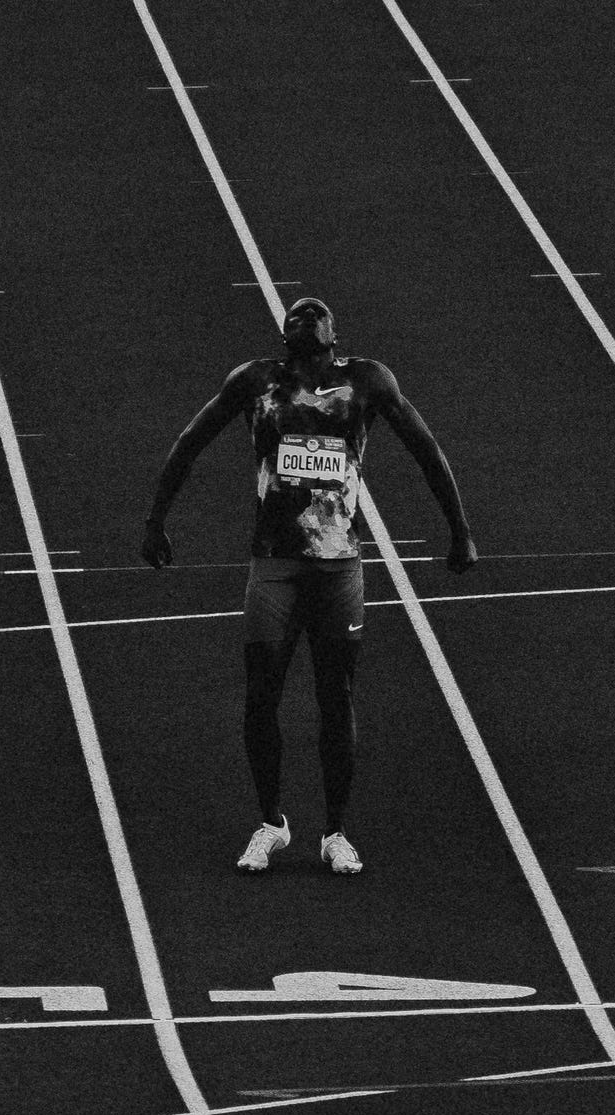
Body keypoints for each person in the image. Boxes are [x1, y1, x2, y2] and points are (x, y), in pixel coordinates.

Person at [140, 297, 476, 875]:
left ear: (333, 332)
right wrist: (156, 518)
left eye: (312, 311)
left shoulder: (367, 381)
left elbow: (426, 449)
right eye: (293, 313)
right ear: (284, 334)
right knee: (261, 696)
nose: (301, 314)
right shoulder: (256, 381)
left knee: (335, 696)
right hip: (274, 564)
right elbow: (191, 440)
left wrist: (460, 530)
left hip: (339, 564)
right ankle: (271, 822)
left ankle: (335, 831)